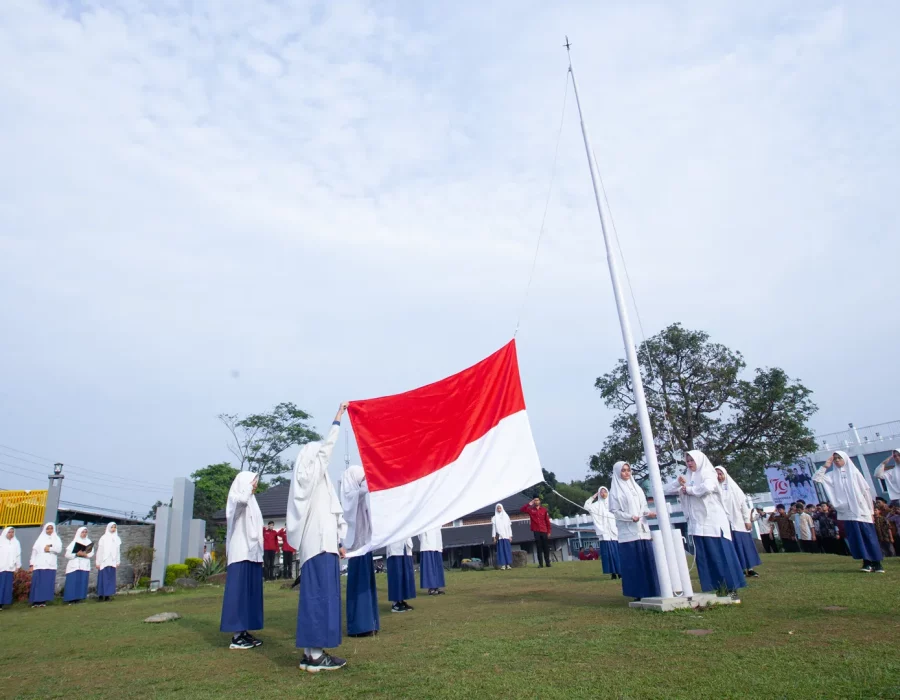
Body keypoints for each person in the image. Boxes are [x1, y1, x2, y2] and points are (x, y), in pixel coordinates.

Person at [287, 402, 349, 672]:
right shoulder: (306, 478)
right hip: (317, 549)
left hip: (325, 547)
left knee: (322, 598)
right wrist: (337, 419)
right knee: (318, 598)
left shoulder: (319, 483)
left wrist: (339, 543)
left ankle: (312, 652)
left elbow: (333, 515)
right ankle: (315, 655)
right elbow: (325, 450)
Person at [665, 451, 745, 595]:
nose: (689, 463)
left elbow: (707, 488)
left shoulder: (708, 473)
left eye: (692, 460)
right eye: (687, 461)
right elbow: (667, 490)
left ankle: (731, 588)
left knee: (721, 555)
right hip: (697, 524)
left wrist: (689, 490)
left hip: (713, 523)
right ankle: (715, 588)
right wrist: (679, 483)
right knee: (706, 558)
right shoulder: (687, 476)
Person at [813, 451, 884, 573]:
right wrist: (825, 465)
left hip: (862, 511)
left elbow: (866, 491)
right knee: (856, 538)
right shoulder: (832, 475)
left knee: (869, 537)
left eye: (839, 458)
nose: (836, 460)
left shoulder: (854, 473)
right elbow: (816, 478)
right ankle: (866, 562)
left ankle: (877, 563)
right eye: (834, 458)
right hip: (847, 512)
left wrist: (870, 511)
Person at [220, 471, 265, 650]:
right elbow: (241, 502)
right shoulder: (235, 499)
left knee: (250, 594)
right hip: (240, 552)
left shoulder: (253, 501)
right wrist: (247, 487)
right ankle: (236, 636)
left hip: (252, 553)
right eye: (253, 482)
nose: (255, 486)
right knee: (238, 593)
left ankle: (244, 630)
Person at [608, 461, 660, 601]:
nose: (626, 473)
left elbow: (643, 507)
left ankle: (652, 590)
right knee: (634, 564)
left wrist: (648, 513)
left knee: (648, 560)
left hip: (642, 531)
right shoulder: (615, 491)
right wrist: (630, 517)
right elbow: (615, 511)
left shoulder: (636, 488)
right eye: (623, 470)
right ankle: (638, 593)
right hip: (628, 533)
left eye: (628, 470)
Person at [339, 464, 379, 638]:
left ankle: (370, 621)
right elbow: (359, 495)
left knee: (368, 584)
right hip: (355, 548)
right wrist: (365, 482)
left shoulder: (358, 495)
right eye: (361, 477)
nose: (364, 480)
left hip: (365, 544)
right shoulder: (349, 495)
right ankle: (359, 625)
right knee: (359, 586)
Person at [715, 466, 761, 578]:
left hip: (739, 522)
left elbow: (743, 506)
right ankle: (739, 570)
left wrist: (747, 520)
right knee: (734, 547)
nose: (719, 477)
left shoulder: (733, 488)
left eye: (721, 474)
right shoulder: (715, 489)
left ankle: (750, 569)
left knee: (745, 546)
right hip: (726, 523)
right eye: (716, 474)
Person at [585, 487, 621, 580]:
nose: (603, 493)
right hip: (604, 534)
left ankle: (620, 572)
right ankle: (613, 573)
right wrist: (592, 497)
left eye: (605, 491)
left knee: (617, 553)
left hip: (614, 533)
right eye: (601, 492)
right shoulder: (597, 505)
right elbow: (586, 506)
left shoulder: (613, 503)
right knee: (609, 554)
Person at [29, 522, 61, 608]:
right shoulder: (40, 539)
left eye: (51, 528)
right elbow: (34, 552)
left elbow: (59, 549)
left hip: (50, 564)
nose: (49, 530)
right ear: (45, 529)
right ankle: (35, 602)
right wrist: (31, 564)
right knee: (38, 583)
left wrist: (50, 549)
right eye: (48, 528)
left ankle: (43, 601)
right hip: (39, 564)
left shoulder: (56, 539)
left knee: (46, 583)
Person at [386, 537, 416, 613]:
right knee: (396, 574)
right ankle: (395, 603)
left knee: (405, 574)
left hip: (405, 544)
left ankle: (401, 600)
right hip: (394, 545)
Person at [521, 497, 552, 568]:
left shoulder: (544, 510)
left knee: (546, 548)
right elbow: (522, 509)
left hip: (544, 530)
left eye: (537, 500)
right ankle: (540, 564)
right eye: (534, 500)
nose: (536, 501)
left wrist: (549, 531)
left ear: (539, 501)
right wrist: (529, 504)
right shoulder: (531, 510)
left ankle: (548, 563)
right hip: (536, 531)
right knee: (539, 547)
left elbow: (547, 521)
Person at [95, 522, 121, 602]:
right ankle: (100, 595)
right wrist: (98, 562)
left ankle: (107, 596)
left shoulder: (117, 538)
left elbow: (118, 551)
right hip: (104, 561)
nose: (113, 529)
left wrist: (117, 561)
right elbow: (100, 551)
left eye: (114, 527)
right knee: (103, 578)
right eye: (112, 527)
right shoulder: (103, 538)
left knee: (110, 579)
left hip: (112, 561)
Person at [418, 528, 446, 595]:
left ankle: (436, 586)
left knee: (437, 565)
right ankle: (431, 588)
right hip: (427, 541)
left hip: (436, 541)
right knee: (429, 566)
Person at [0, 526, 21, 611]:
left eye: (12, 532)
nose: (11, 534)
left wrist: (17, 566)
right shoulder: (1, 541)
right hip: (1, 567)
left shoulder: (16, 542)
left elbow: (18, 555)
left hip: (9, 567)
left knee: (7, 586)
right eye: (9, 532)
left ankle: (3, 603)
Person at [491, 504, 513, 570]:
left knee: (507, 550)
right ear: (496, 509)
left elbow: (509, 527)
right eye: (498, 508)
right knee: (501, 551)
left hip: (506, 536)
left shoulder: (506, 516)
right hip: (499, 537)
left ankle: (508, 564)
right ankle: (503, 565)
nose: (499, 509)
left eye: (500, 508)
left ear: (502, 508)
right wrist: (494, 537)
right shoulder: (494, 518)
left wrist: (510, 536)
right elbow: (494, 528)